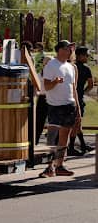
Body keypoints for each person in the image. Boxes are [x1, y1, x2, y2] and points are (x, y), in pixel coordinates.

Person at [39, 40, 81, 177]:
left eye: (71, 49)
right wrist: (55, 82)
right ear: (61, 50)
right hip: (55, 106)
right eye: (69, 48)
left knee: (64, 137)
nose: (71, 51)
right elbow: (46, 87)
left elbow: (73, 89)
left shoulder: (71, 67)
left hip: (70, 105)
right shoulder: (51, 65)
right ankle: (49, 167)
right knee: (52, 137)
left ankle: (60, 166)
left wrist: (78, 108)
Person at [67, 46, 94, 155]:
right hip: (78, 99)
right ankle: (71, 147)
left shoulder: (70, 67)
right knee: (76, 123)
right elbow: (91, 85)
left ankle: (82, 145)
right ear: (80, 55)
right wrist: (83, 92)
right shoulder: (86, 69)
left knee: (77, 123)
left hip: (68, 96)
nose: (87, 57)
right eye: (86, 55)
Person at [35, 56, 52, 145]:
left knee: (40, 122)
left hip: (43, 97)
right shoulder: (50, 73)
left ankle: (36, 141)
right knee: (51, 121)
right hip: (48, 98)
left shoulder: (40, 73)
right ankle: (51, 143)